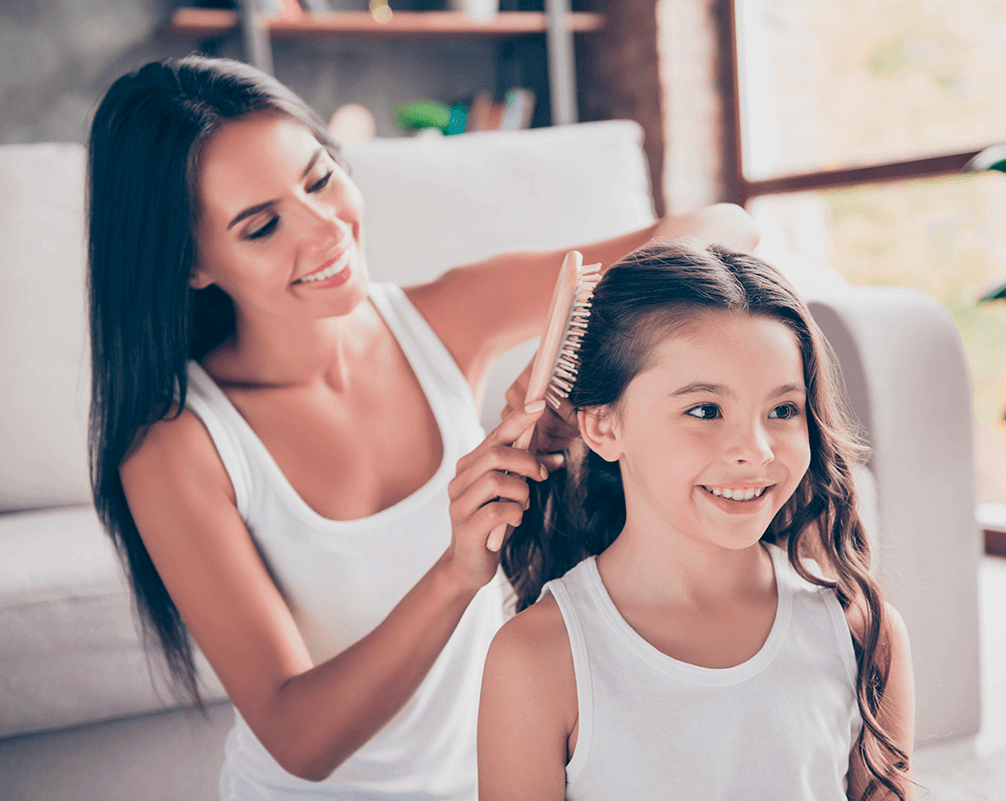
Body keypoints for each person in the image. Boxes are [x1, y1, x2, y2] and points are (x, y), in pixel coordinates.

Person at [87, 55, 758, 800]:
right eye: (262, 225)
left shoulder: (445, 317)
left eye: (319, 179)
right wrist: (457, 571)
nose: (324, 231)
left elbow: (720, 227)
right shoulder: (177, 444)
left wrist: (572, 350)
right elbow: (298, 738)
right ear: (190, 264)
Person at [477, 242, 915, 801]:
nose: (756, 452)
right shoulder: (537, 660)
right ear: (604, 427)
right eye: (705, 410)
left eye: (783, 410)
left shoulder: (860, 631)